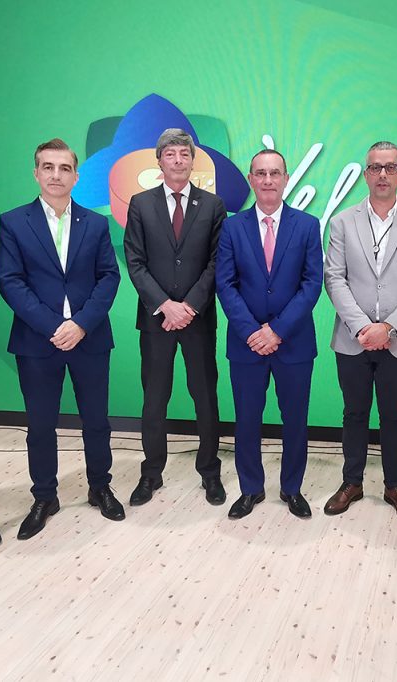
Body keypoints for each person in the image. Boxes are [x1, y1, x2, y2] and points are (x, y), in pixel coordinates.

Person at [0, 138, 123, 539]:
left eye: (64, 168)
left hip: (89, 337)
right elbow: (10, 282)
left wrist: (80, 324)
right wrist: (53, 326)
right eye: (48, 167)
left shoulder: (96, 223)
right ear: (36, 173)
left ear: (76, 176)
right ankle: (44, 496)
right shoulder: (13, 222)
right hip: (38, 341)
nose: (56, 175)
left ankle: (100, 486)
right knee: (40, 425)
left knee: (96, 421)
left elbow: (109, 277)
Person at [323, 141, 397, 524]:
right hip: (352, 339)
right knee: (353, 414)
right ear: (365, 174)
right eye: (375, 167)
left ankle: (395, 487)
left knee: (394, 416)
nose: (383, 174)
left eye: (390, 167)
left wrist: (388, 328)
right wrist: (362, 327)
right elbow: (334, 278)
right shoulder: (342, 222)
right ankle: (352, 483)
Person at [215, 149, 323, 519]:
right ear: (251, 179)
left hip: (293, 342)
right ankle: (250, 488)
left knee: (295, 421)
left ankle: (292, 488)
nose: (267, 180)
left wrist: (276, 330)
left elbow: (312, 284)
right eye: (260, 173)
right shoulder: (232, 227)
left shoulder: (307, 225)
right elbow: (225, 284)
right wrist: (252, 332)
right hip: (246, 345)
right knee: (247, 420)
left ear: (286, 179)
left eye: (274, 173)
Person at [123, 128, 226, 506]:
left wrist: (190, 306)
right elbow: (135, 261)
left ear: (193, 160)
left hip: (198, 319)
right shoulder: (140, 203)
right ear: (159, 160)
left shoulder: (213, 205)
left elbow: (217, 262)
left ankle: (210, 472)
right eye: (171, 154)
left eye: (184, 154)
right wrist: (165, 305)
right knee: (154, 399)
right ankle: (151, 473)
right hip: (157, 320)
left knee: (205, 398)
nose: (178, 160)